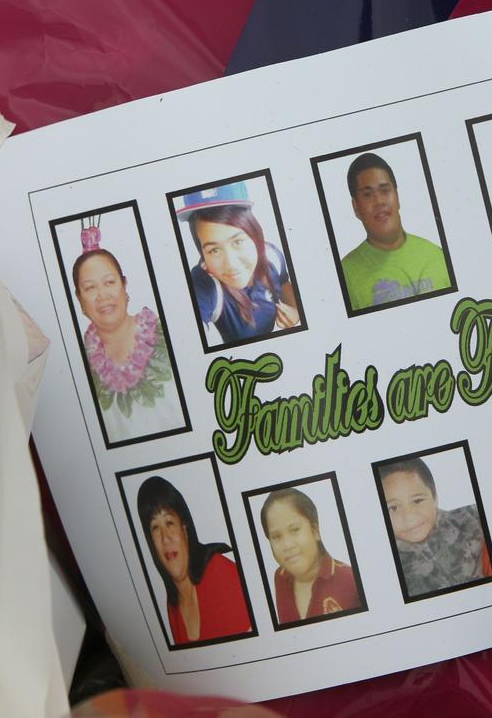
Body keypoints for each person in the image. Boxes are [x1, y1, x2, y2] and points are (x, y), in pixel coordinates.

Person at [72, 222, 183, 443]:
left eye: (109, 282)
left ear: (124, 285)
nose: (102, 295)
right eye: (90, 288)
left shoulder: (166, 335)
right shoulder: (76, 364)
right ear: (79, 299)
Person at [175, 182, 300, 344]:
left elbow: (284, 283)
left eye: (238, 242)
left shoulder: (272, 255)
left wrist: (297, 313)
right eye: (214, 250)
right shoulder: (204, 284)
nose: (231, 264)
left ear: (254, 235)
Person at [136, 476, 252, 645]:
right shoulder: (172, 606)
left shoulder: (220, 572)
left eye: (169, 523)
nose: (165, 538)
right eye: (155, 527)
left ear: (185, 528)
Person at [340, 152, 452, 311]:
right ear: (356, 207)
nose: (379, 201)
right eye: (367, 194)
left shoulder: (437, 255)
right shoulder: (345, 275)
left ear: (397, 196)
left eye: (385, 190)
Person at [379, 457, 492, 597]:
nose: (409, 516)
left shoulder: (473, 518)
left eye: (417, 500)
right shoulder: (384, 563)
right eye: (393, 508)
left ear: (435, 497)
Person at [260, 488, 363, 624]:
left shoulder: (351, 579)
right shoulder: (280, 576)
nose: (287, 545)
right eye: (276, 536)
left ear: (315, 530)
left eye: (295, 530)